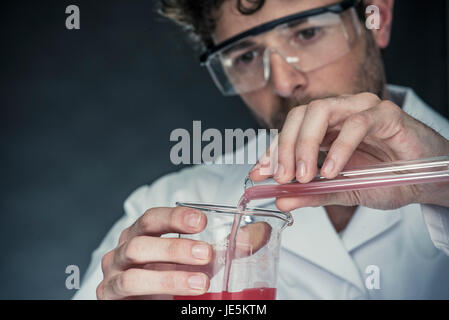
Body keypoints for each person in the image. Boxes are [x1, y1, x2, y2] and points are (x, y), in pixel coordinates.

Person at [74, 0, 449, 300]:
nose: (284, 82)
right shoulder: (174, 207)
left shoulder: (442, 171)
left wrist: (442, 183)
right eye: (247, 57)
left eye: (307, 33)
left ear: (377, 19)